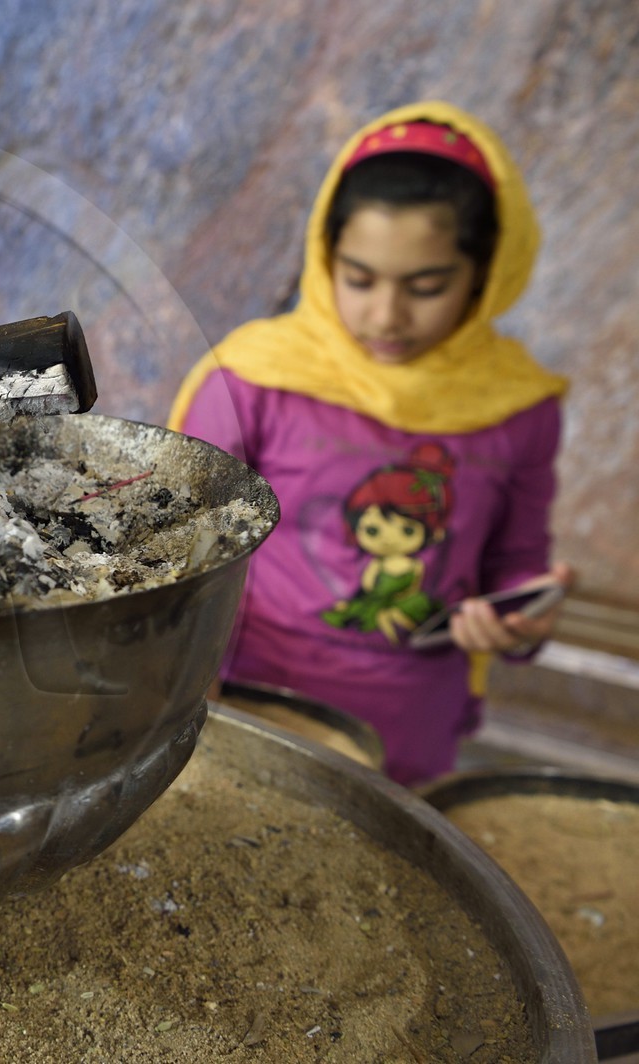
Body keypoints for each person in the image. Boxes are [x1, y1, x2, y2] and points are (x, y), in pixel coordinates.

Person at [167, 101, 573, 786]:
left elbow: (513, 563)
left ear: (487, 272)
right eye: (358, 279)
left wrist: (518, 622)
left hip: (409, 723)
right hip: (248, 695)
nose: (386, 315)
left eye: (426, 286)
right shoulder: (255, 379)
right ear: (325, 261)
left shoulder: (518, 407)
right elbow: (176, 544)